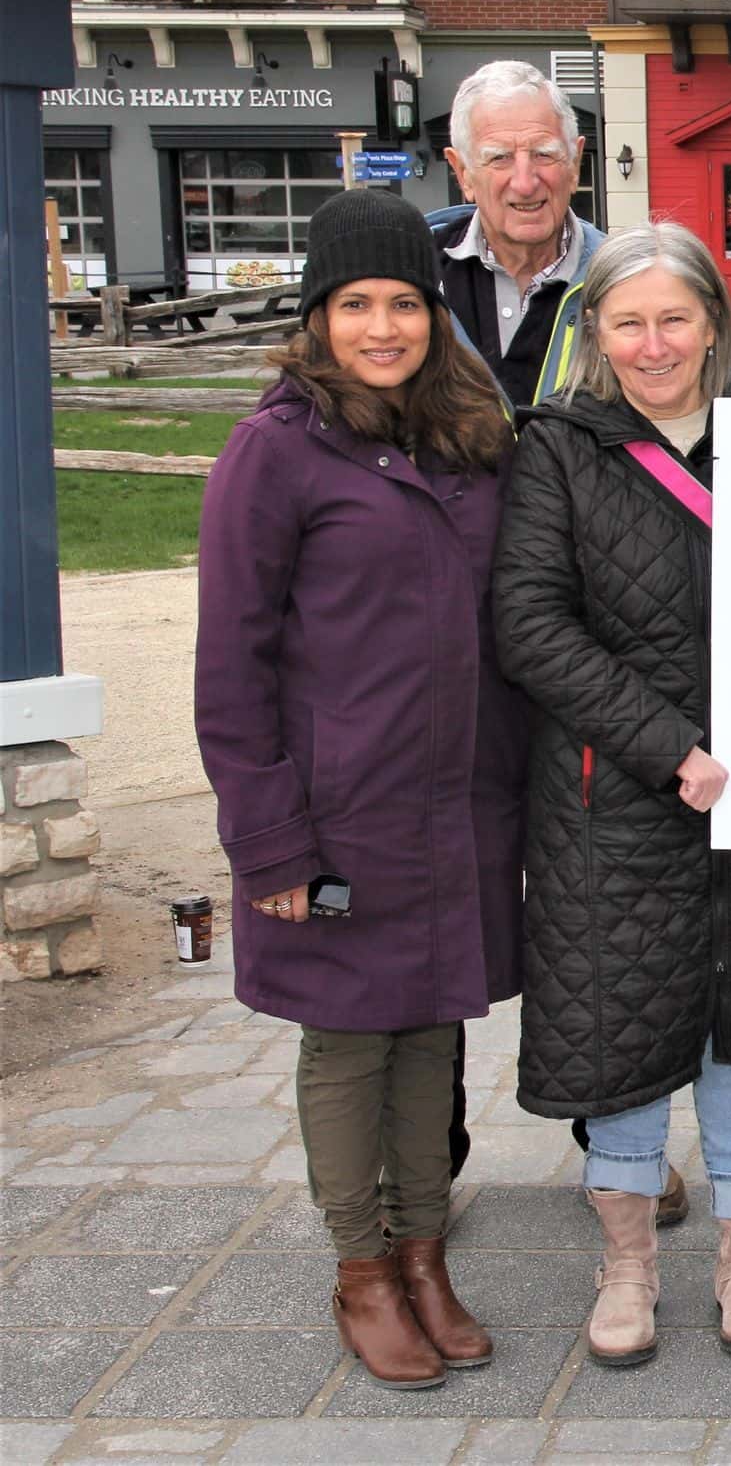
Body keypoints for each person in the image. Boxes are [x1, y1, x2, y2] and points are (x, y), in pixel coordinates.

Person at [493, 222, 731, 1366]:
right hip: (612, 805)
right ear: (595, 334)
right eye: (628, 322)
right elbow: (530, 626)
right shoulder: (555, 448)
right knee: (621, 1037)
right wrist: (672, 751)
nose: (654, 345)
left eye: (675, 318)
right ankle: (626, 1267)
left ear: (715, 321)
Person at [194, 188, 525, 1392]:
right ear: (316, 317)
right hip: (336, 819)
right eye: (354, 305)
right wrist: (269, 843)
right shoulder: (275, 451)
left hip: (451, 809)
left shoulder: (468, 438)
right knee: (347, 1039)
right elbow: (231, 664)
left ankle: (427, 1255)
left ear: (434, 315)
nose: (381, 327)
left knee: (431, 1030)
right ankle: (363, 1269)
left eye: (402, 303)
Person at [436, 59, 605, 410]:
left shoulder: (621, 279)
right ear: (463, 173)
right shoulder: (415, 278)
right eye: (499, 158)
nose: (525, 183)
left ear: (574, 165)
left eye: (544, 154)